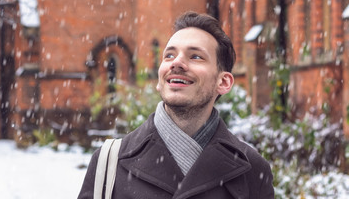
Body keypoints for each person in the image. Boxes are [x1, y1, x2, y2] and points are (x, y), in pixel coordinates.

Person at [78, 11, 274, 198]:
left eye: (195, 56)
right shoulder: (109, 162)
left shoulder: (252, 171)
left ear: (223, 83)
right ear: (159, 79)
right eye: (169, 55)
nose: (176, 63)